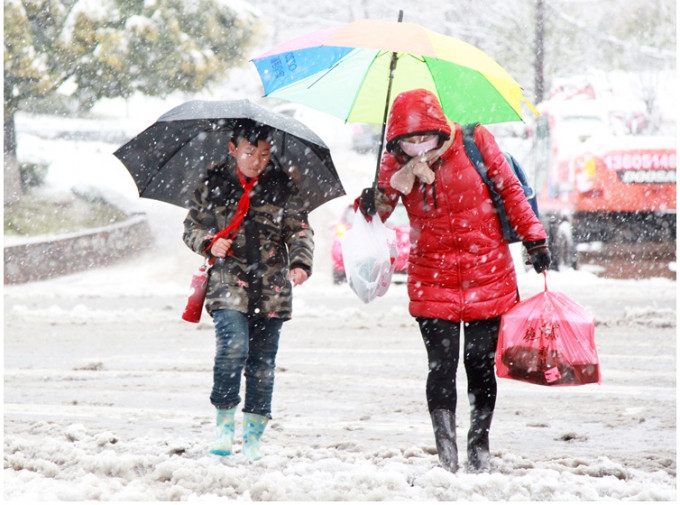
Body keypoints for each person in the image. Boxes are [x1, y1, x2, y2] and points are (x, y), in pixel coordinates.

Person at [356, 88, 550, 473]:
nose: (417, 147)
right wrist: (370, 200)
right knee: (440, 367)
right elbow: (380, 209)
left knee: (479, 363)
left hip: (488, 273)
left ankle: (479, 445)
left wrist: (535, 239)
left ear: (440, 130)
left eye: (424, 138)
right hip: (432, 277)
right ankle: (446, 454)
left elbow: (511, 191)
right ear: (396, 139)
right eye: (408, 141)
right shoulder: (394, 161)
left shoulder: (475, 140)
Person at [183, 121, 314, 459]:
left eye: (265, 154)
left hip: (272, 285)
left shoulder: (283, 186)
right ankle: (224, 428)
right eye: (249, 153)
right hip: (228, 279)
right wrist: (210, 243)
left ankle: (253, 439)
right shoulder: (213, 184)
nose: (257, 161)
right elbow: (192, 227)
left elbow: (299, 229)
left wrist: (300, 263)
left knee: (262, 363)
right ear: (232, 149)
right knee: (232, 346)